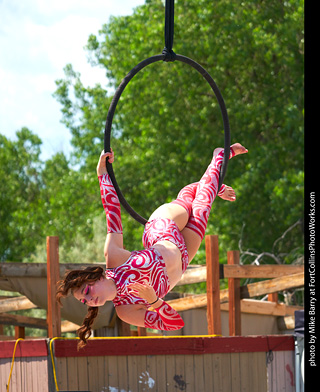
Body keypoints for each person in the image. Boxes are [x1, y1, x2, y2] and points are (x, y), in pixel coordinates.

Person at [56, 143, 248, 348]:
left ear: (96, 277)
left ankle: (221, 157)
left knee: (198, 201)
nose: (89, 300)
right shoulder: (126, 311)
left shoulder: (114, 257)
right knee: (201, 205)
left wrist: (102, 173)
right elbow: (173, 323)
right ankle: (212, 180)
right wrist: (154, 301)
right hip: (183, 257)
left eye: (87, 292)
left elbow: (112, 213)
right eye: (84, 302)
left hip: (162, 231)